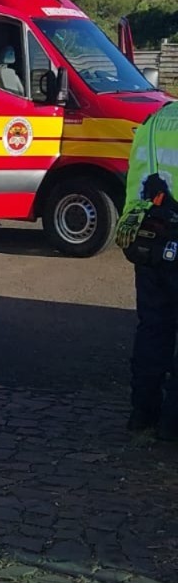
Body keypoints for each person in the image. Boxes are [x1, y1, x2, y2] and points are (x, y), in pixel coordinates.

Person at [116, 101, 178, 436]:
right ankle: (171, 424)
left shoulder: (154, 121)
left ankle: (142, 411)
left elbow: (137, 180)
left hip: (149, 239)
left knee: (153, 329)